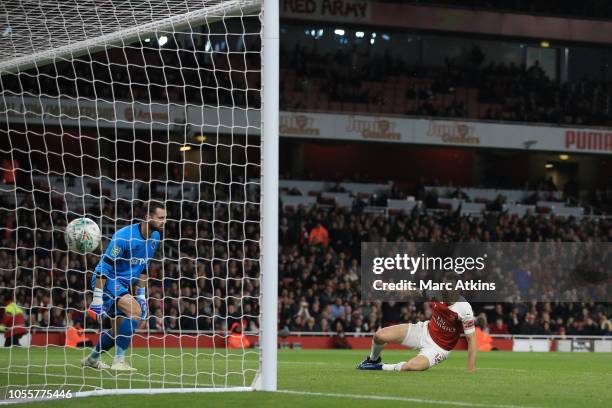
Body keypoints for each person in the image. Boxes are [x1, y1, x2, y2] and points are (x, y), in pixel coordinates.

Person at [81, 201, 166, 371]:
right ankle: (119, 361)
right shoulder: (123, 237)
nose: (164, 221)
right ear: (148, 217)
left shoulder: (155, 237)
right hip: (106, 280)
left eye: (166, 218)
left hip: (123, 285)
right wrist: (97, 299)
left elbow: (144, 267)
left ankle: (92, 359)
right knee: (135, 311)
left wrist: (141, 295)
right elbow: (104, 267)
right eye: (161, 218)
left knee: (117, 331)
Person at [357, 290, 477, 372]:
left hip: (439, 349)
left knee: (411, 366)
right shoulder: (436, 292)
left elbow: (471, 340)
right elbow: (416, 292)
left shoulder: (464, 309)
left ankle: (379, 367)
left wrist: (471, 370)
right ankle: (372, 360)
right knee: (379, 336)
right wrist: (395, 289)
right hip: (424, 331)